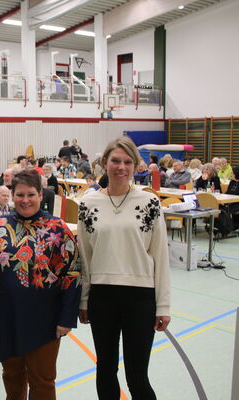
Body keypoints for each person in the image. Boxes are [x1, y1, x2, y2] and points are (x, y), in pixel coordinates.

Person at [77, 137, 170, 400]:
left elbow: (160, 255)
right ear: (104, 163)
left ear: (136, 165)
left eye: (128, 162)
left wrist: (163, 305)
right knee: (105, 370)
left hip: (140, 298)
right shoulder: (88, 204)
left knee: (137, 377)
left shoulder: (150, 203)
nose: (121, 167)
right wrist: (84, 299)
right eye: (116, 161)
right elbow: (85, 257)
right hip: (102, 297)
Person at [0, 169, 80, 400]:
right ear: (12, 195)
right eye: (20, 195)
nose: (25, 200)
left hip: (45, 318)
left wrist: (66, 318)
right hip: (8, 316)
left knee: (42, 380)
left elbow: (73, 272)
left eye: (31, 195)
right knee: (12, 376)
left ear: (40, 195)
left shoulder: (58, 228)